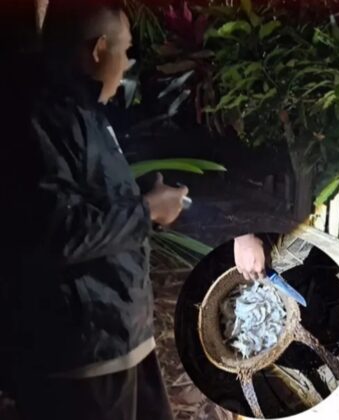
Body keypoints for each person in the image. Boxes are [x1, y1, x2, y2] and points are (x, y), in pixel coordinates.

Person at [4, 1, 187, 418]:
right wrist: (146, 210)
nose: (128, 65)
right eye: (125, 50)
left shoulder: (80, 108)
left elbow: (86, 200)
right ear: (99, 48)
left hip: (117, 337)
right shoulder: (41, 115)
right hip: (82, 355)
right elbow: (54, 230)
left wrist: (144, 202)